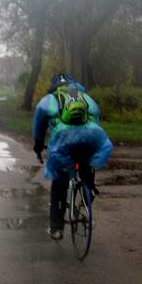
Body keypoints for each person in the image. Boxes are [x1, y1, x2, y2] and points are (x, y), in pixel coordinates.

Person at [32, 72, 113, 239]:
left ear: (54, 86)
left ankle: (56, 228)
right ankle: (87, 202)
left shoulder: (49, 100)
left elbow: (39, 126)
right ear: (75, 85)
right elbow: (97, 118)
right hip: (93, 137)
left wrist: (38, 146)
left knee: (59, 183)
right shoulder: (85, 97)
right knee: (87, 169)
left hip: (64, 140)